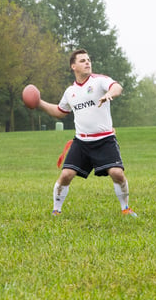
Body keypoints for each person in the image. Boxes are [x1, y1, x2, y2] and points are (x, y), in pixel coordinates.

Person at [37, 49, 138, 217]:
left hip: (105, 140)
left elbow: (117, 87)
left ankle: (125, 209)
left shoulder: (99, 81)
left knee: (117, 173)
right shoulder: (70, 92)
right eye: (83, 60)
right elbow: (60, 111)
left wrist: (109, 94)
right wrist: (38, 102)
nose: (87, 62)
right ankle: (56, 211)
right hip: (81, 142)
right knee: (66, 175)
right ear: (73, 66)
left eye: (88, 60)